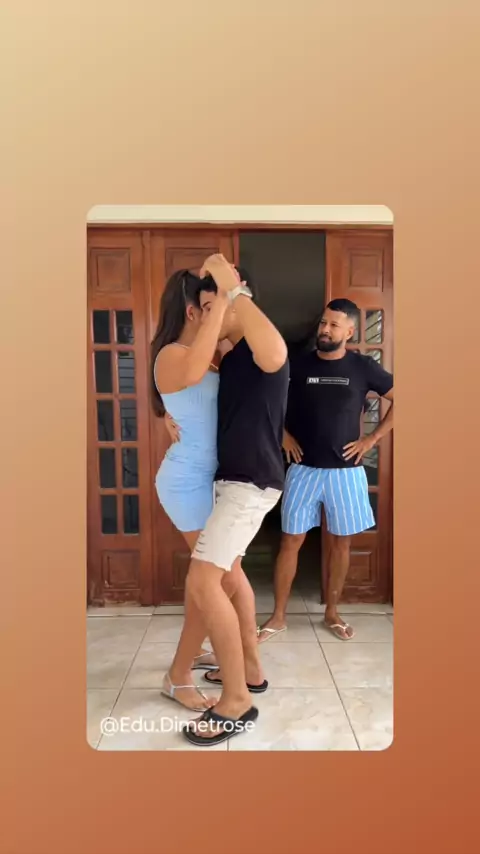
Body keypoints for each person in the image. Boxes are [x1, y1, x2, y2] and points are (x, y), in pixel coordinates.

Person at [164, 254, 289, 747]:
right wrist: (167, 417)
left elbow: (276, 354)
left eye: (216, 306)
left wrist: (231, 288)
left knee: (204, 579)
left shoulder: (261, 349)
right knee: (226, 577)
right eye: (205, 306)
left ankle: (236, 701)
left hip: (250, 483)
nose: (209, 317)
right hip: (232, 481)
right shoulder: (232, 358)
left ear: (239, 301)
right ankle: (250, 672)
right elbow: (189, 394)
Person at [257, 298, 394, 642]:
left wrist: (371, 439)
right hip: (303, 469)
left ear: (350, 331)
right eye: (323, 323)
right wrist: (283, 434)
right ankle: (278, 616)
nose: (326, 330)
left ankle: (332, 612)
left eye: (334, 325)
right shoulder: (296, 364)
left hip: (346, 472)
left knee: (340, 544)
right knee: (290, 541)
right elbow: (266, 399)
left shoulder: (363, 367)